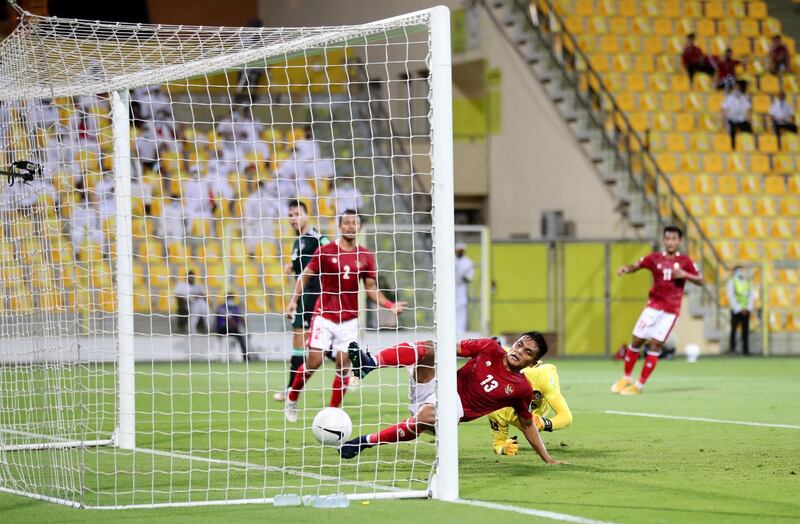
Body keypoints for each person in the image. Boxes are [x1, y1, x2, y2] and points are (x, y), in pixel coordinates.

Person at [339, 333, 561, 464]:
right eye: (519, 344)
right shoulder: (489, 347)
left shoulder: (522, 388)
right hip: (438, 388)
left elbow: (527, 424)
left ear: (532, 363)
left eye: (528, 352)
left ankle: (363, 442)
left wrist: (547, 458)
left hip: (454, 411)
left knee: (427, 415)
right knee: (429, 347)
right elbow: (449, 348)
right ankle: (371, 363)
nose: (520, 351)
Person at [283, 210, 406, 420]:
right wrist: (293, 301)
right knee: (314, 361)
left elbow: (370, 287)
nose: (350, 226)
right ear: (340, 226)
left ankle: (332, 414)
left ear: (359, 227)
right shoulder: (326, 251)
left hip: (349, 319)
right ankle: (292, 397)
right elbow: (304, 276)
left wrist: (389, 305)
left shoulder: (365, 256)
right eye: (347, 222)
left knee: (343, 365)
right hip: (324, 315)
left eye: (354, 223)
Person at [611, 226, 704, 395]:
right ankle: (627, 377)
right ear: (663, 240)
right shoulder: (655, 258)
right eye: (667, 238)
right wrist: (627, 268)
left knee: (655, 344)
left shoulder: (685, 261)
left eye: (673, 239)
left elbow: (700, 280)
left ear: (679, 241)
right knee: (636, 340)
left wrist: (685, 274)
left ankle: (638, 386)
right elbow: (637, 265)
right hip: (653, 307)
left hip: (670, 311)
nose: (670, 242)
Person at [273, 200, 330, 401]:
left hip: (315, 297)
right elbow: (302, 271)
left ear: (307, 215)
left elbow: (332, 251)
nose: (293, 218)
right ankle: (351, 366)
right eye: (290, 215)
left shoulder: (316, 238)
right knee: (312, 343)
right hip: (304, 296)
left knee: (302, 341)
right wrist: (292, 267)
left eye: (297, 214)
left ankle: (290, 391)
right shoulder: (298, 242)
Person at [487, 356, 572, 456]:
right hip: (521, 419)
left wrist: (544, 423)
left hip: (538, 412)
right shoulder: (496, 407)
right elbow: (498, 444)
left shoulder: (543, 378)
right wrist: (504, 449)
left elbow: (566, 416)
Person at [726, 266, 754, 355]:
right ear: (735, 271)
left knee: (745, 331)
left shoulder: (748, 282)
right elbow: (731, 296)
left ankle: (746, 350)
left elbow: (751, 296)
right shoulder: (732, 281)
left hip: (746, 311)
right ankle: (732, 349)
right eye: (739, 270)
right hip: (736, 311)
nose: (741, 272)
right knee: (733, 330)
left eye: (742, 270)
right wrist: (738, 309)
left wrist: (748, 308)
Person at [213, 294, 250, 361]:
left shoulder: (235, 307)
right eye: (230, 298)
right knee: (237, 331)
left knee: (241, 337)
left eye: (232, 298)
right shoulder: (222, 307)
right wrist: (236, 326)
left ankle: (246, 357)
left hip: (232, 329)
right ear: (226, 299)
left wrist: (245, 326)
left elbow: (241, 317)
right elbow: (228, 319)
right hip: (222, 329)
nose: (231, 300)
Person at [722, 80, 752, 149]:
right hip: (732, 119)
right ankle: (733, 147)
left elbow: (748, 108)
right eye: (736, 88)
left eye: (738, 89)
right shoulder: (729, 98)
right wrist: (724, 121)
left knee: (748, 130)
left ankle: (748, 146)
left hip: (742, 119)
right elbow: (724, 109)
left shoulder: (744, 98)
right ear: (733, 89)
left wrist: (749, 119)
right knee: (732, 133)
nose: (737, 90)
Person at [455, 242, 475, 338]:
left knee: (461, 309)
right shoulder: (451, 260)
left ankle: (460, 330)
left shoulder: (468, 262)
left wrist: (462, 276)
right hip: (450, 289)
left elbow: (469, 278)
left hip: (461, 289)